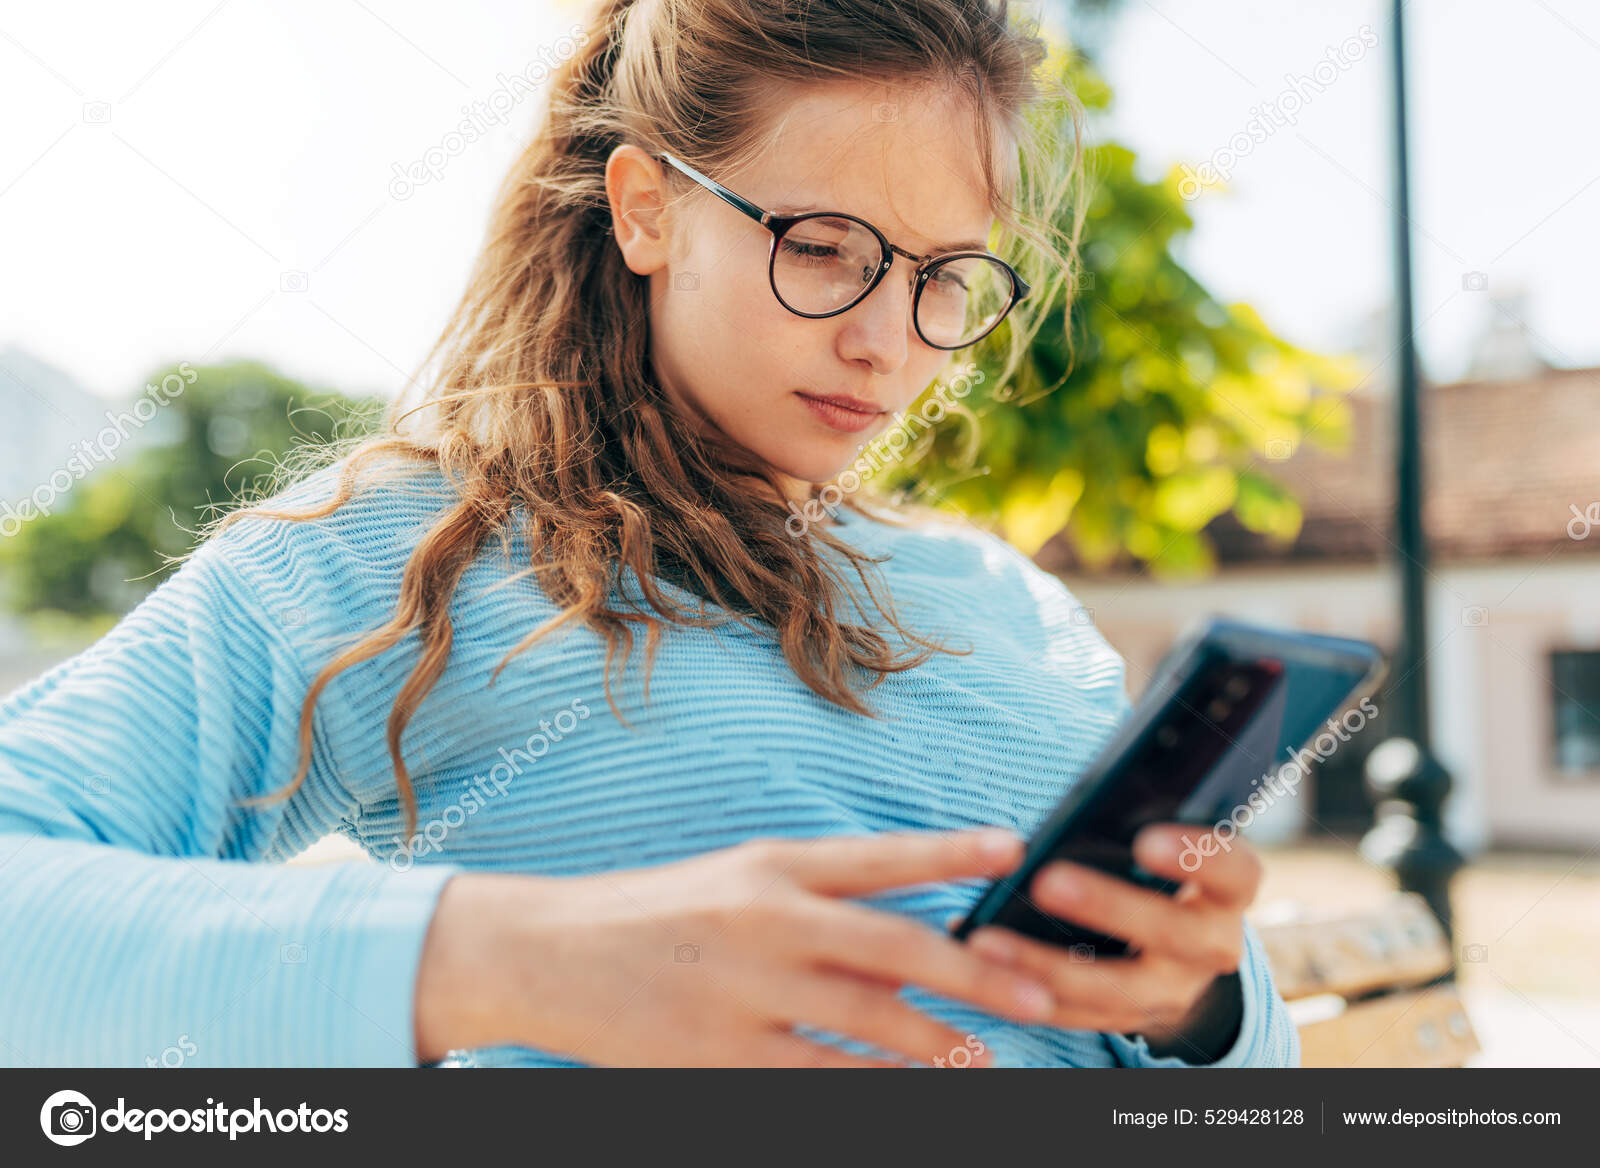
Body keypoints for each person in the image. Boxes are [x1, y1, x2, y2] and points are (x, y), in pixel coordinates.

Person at [0, 0, 1298, 1068]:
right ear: (645, 209)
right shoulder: (408, 550)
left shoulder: (1011, 606)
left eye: (946, 277)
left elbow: (1243, 1077)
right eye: (827, 246)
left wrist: (1197, 1005)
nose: (886, 339)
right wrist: (502, 961)